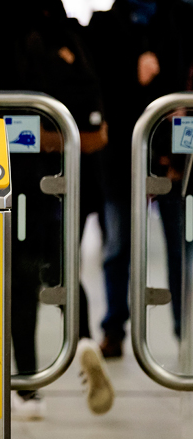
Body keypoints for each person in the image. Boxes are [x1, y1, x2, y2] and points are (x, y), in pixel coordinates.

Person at [0, 0, 114, 419]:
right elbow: (98, 127)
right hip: (70, 179)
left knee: (21, 278)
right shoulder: (69, 36)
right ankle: (85, 338)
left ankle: (29, 389)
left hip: (15, 179)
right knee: (63, 265)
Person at [88, 0, 193, 358]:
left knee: (180, 245)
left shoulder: (178, 17)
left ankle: (186, 330)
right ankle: (114, 328)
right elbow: (99, 86)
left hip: (174, 156)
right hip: (120, 156)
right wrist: (134, 70)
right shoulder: (106, 24)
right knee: (118, 246)